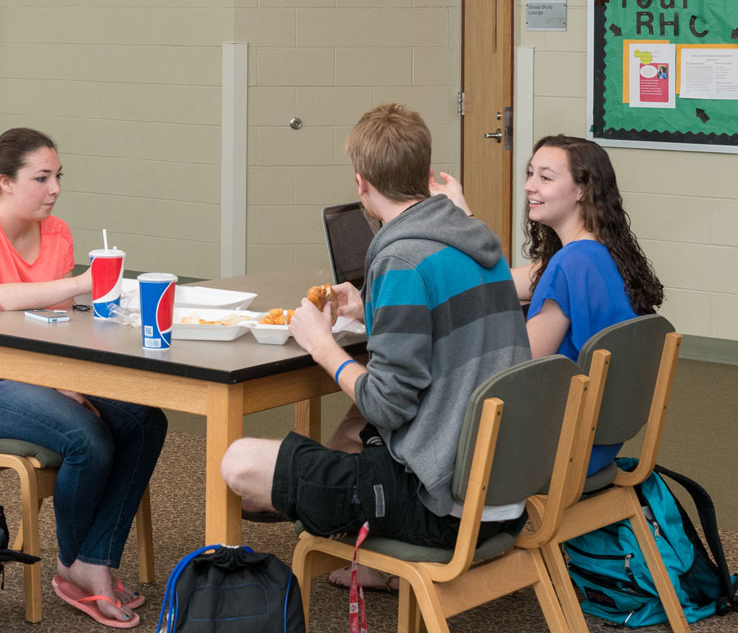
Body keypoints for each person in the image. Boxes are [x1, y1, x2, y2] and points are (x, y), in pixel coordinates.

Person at [218, 104, 533, 559]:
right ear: (426, 173)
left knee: (240, 464)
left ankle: (331, 523)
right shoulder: (473, 240)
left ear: (362, 184)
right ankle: (348, 538)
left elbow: (387, 405)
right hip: (502, 493)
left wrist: (322, 346)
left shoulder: (400, 260)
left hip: (444, 507)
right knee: (345, 438)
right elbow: (449, 327)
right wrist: (372, 310)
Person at [0, 127, 166, 629]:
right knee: (88, 438)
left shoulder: (56, 233)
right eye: (41, 178)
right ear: (5, 182)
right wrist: (87, 281)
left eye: (58, 176)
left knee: (145, 419)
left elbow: (58, 324)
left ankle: (93, 560)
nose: (55, 188)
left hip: (37, 372)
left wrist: (70, 382)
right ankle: (74, 565)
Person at [432, 134, 665, 476]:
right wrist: (463, 213)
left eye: (545, 177)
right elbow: (502, 281)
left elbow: (517, 370)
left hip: (556, 447)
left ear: (581, 190)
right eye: (530, 174)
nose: (529, 186)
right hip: (597, 440)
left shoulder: (570, 264)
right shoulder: (600, 253)